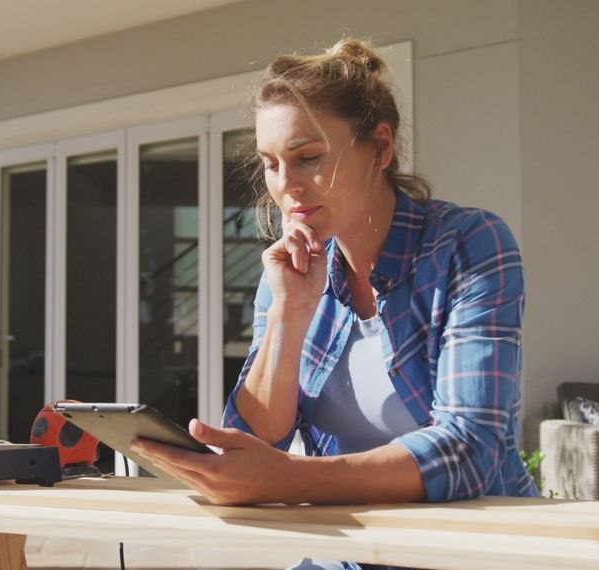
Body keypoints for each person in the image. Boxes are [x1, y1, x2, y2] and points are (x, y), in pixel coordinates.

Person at [131, 38, 538, 510]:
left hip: (471, 546)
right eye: (270, 164)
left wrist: (289, 481)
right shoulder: (286, 276)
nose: (286, 185)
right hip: (348, 550)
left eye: (308, 157)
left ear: (380, 147)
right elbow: (255, 444)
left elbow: (470, 448)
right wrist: (288, 311)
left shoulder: (467, 245)